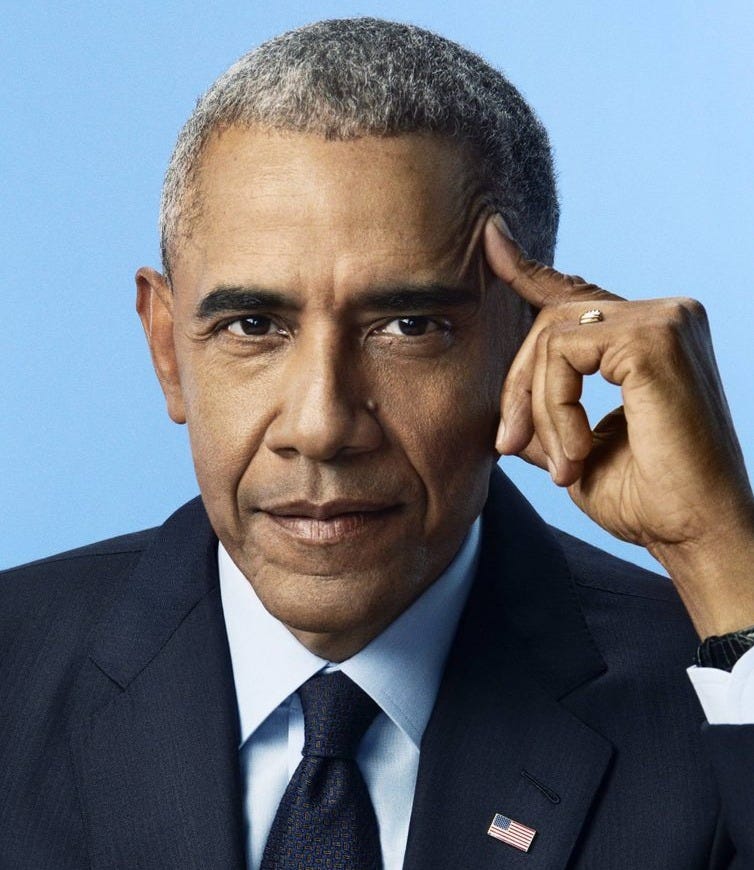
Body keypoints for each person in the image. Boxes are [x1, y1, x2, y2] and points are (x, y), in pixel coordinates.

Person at [1, 17, 753, 870]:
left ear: (530, 347)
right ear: (170, 349)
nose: (321, 426)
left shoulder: (711, 706)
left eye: (409, 325)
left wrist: (722, 557)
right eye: (254, 324)